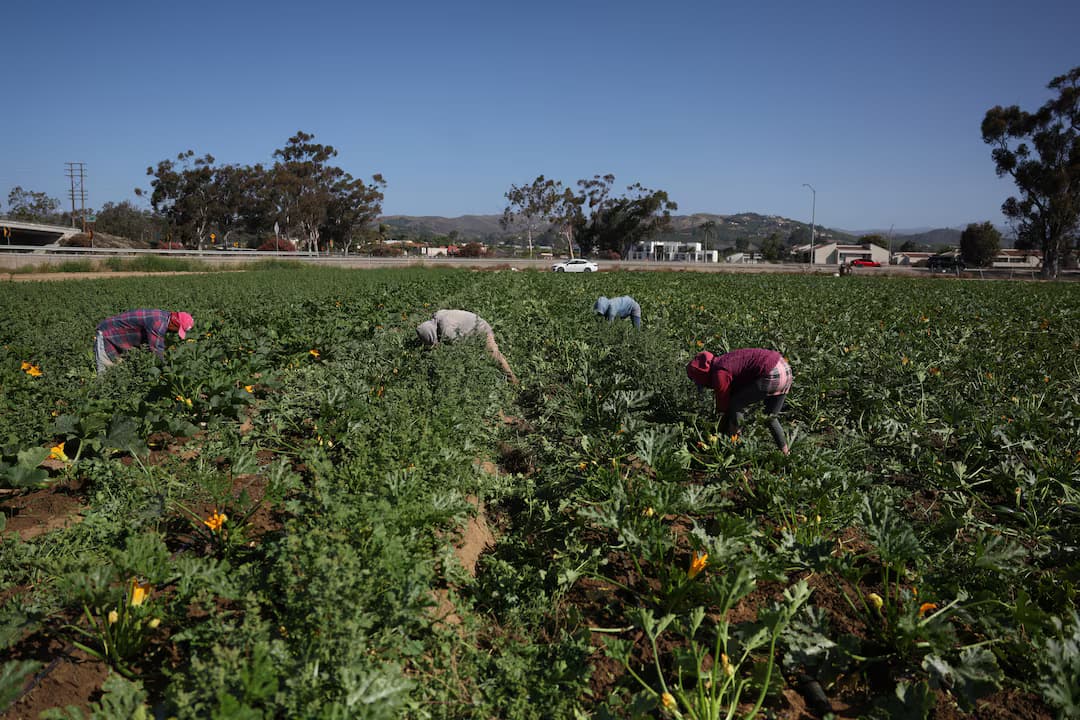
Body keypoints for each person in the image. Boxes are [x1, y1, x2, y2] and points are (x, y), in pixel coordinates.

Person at [686, 348, 792, 455]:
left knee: (735, 404)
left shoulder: (720, 373)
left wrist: (719, 428)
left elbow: (723, 406)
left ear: (703, 375)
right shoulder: (725, 360)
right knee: (770, 417)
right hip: (783, 367)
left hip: (771, 373)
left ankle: (735, 444)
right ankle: (786, 453)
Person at [416, 309, 518, 384]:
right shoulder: (436, 317)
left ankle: (513, 380)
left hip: (481, 329)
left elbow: (458, 351)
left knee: (494, 356)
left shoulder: (447, 330)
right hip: (468, 330)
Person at [95, 309, 194, 375]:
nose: (175, 332)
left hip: (121, 337)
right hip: (108, 333)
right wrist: (166, 370)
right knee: (105, 372)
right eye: (177, 329)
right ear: (173, 322)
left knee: (119, 370)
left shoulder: (164, 317)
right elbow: (156, 350)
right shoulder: (158, 323)